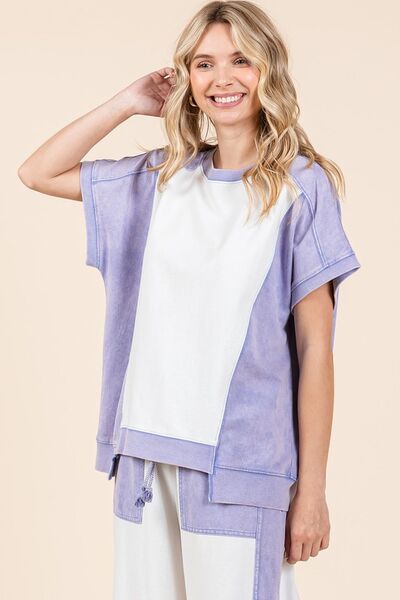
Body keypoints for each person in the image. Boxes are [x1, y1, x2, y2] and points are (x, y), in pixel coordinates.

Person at [17, 1, 361, 598]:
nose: (222, 78)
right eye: (204, 64)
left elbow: (316, 350)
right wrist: (127, 102)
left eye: (240, 60)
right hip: (144, 457)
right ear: (187, 78)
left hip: (240, 467)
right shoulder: (161, 180)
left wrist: (311, 491)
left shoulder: (301, 189)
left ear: (269, 69)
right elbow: (37, 172)